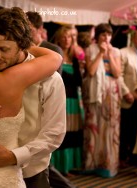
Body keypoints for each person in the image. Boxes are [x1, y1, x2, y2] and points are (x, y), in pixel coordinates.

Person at [0, 8, 66, 188]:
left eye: (4, 49)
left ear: (22, 45)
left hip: (32, 170)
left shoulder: (50, 79)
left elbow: (54, 134)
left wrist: (14, 156)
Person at [26, 11, 78, 188]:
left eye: (29, 29)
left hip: (47, 104)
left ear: (40, 29)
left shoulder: (52, 50)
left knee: (44, 161)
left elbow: (55, 82)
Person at [83, 23, 121, 177]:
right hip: (95, 94)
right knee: (94, 126)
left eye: (109, 35)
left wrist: (109, 54)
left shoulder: (117, 51)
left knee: (109, 129)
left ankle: (108, 164)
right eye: (103, 35)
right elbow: (91, 71)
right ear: (97, 36)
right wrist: (100, 53)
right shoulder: (90, 50)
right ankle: (92, 163)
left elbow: (117, 73)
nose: (106, 38)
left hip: (111, 95)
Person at [51, 25, 84, 176]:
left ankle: (69, 166)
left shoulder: (75, 59)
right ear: (58, 39)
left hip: (73, 101)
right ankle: (59, 167)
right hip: (61, 99)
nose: (66, 39)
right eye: (64, 37)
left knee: (73, 133)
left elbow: (79, 81)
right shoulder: (54, 55)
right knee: (61, 133)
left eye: (69, 37)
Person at [120, 29, 137, 167]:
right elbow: (119, 75)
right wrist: (127, 92)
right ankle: (123, 157)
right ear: (133, 39)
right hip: (129, 97)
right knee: (127, 129)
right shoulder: (124, 53)